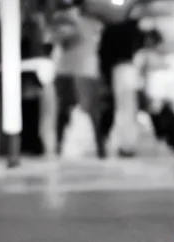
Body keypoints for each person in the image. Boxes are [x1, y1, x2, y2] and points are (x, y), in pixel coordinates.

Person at [50, 0, 106, 159]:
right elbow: (58, 36)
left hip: (83, 70)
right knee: (66, 111)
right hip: (70, 69)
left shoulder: (91, 22)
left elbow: (66, 36)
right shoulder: (67, 18)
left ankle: (99, 147)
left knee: (89, 111)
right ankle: (60, 146)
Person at [98, 17, 144, 157]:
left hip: (117, 69)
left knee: (122, 108)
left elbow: (103, 53)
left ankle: (123, 143)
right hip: (128, 67)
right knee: (129, 108)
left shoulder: (110, 29)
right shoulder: (133, 27)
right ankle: (128, 143)